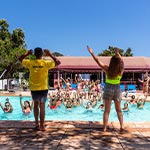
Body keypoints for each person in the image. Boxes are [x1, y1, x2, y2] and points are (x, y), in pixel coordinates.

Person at [18, 47, 61, 131]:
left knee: (35, 106)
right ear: (42, 54)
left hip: (34, 88)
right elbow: (58, 62)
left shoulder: (30, 62)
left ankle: (37, 124)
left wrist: (27, 54)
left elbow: (20, 59)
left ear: (34, 55)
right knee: (42, 107)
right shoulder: (45, 63)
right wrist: (50, 54)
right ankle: (42, 126)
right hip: (43, 88)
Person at [87, 46, 124, 132]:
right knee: (119, 110)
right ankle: (121, 126)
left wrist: (92, 53)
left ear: (111, 62)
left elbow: (97, 61)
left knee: (107, 110)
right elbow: (122, 62)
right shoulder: (121, 71)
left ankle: (104, 128)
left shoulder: (108, 69)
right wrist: (118, 54)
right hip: (117, 89)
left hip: (108, 88)